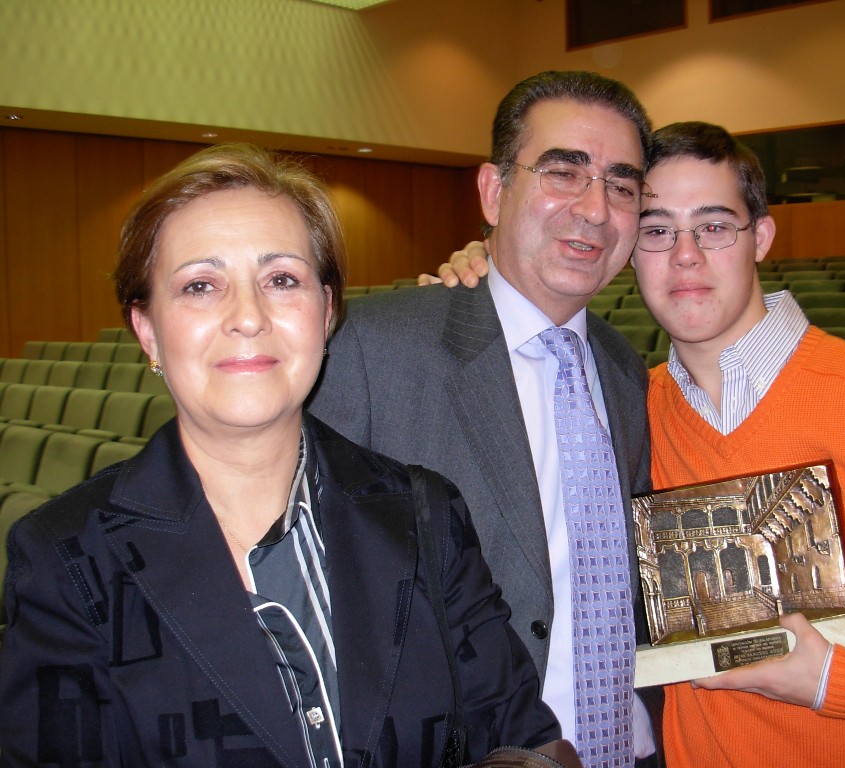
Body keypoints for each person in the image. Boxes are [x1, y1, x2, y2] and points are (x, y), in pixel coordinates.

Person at [440, 121, 845, 768]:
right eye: (658, 230)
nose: (685, 255)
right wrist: (483, 282)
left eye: (715, 226)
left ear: (761, 239)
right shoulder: (625, 409)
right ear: (631, 246)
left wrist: (842, 676)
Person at [0, 143, 576, 768]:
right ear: (147, 330)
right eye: (200, 285)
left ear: (327, 313)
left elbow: (522, 737)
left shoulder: (423, 513)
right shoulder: (65, 561)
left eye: (281, 279)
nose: (247, 316)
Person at [310, 71, 659, 768]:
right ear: (495, 192)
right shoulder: (370, 352)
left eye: (622, 185)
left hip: (638, 747)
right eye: (564, 173)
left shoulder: (627, 369)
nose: (595, 209)